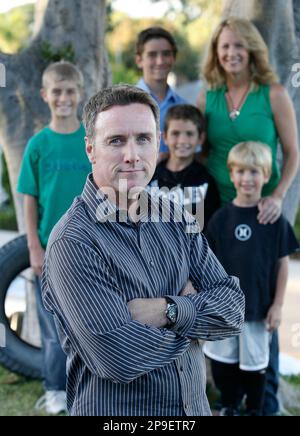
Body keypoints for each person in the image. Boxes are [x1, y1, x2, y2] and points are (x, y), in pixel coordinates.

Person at [41, 84, 245, 416]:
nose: (132, 155)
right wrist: (196, 325)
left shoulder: (176, 217)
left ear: (157, 143)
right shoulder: (73, 242)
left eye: (143, 139)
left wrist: (169, 311)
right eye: (116, 141)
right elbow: (118, 357)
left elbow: (233, 308)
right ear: (90, 149)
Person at [198, 17, 299, 415]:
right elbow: (202, 151)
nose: (231, 53)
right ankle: (228, 397)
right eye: (224, 46)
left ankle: (265, 402)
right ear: (216, 53)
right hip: (221, 211)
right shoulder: (210, 97)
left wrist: (276, 195)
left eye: (239, 46)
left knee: (261, 304)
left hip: (265, 208)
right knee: (225, 300)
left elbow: (293, 154)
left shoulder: (272, 94)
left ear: (252, 49)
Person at [203, 141, 299, 416]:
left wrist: (278, 305)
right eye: (241, 172)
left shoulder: (274, 220)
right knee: (223, 363)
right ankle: (229, 406)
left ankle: (255, 409)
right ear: (231, 174)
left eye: (255, 172)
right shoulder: (221, 219)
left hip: (258, 310)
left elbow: (283, 265)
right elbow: (208, 264)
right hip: (224, 311)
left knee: (256, 367)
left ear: (267, 176)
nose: (247, 179)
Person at [17, 61, 91, 414]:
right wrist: (34, 246)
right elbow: (29, 198)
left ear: (80, 94)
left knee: (90, 323)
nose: (64, 98)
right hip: (50, 250)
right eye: (57, 92)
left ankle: (90, 390)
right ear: (45, 95)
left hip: (91, 249)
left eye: (70, 91)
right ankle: (55, 391)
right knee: (53, 329)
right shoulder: (38, 144)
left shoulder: (91, 141)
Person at [148, 104, 220, 229]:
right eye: (175, 133)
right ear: (164, 137)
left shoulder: (204, 181)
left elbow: (209, 229)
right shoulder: (151, 176)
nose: (182, 140)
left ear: (201, 138)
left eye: (189, 134)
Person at [136, 26, 186, 160]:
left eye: (166, 54)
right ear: (139, 60)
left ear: (173, 58)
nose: (160, 61)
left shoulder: (185, 107)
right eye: (152, 54)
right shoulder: (124, 104)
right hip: (134, 181)